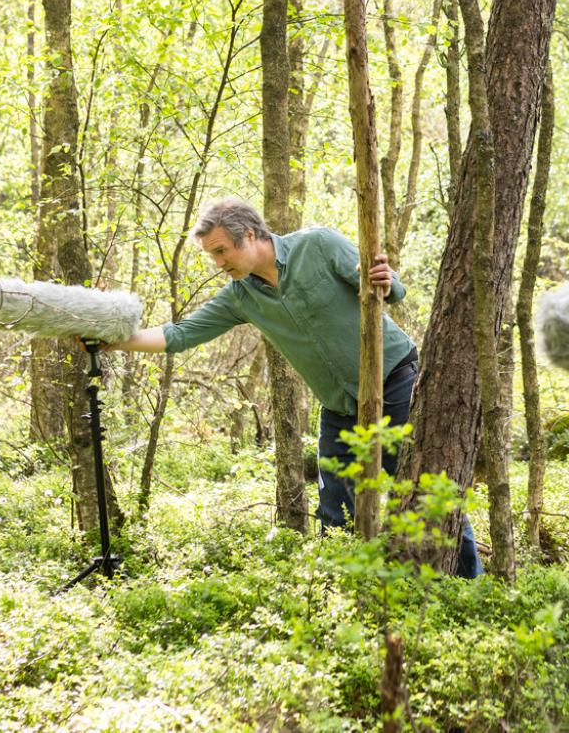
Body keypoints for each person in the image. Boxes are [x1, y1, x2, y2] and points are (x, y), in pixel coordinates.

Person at [103, 196, 482, 577]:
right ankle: (349, 596)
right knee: (335, 509)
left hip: (395, 383)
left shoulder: (318, 245)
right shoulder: (241, 297)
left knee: (428, 494)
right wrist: (113, 339)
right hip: (340, 408)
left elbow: (386, 288)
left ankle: (470, 588)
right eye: (212, 256)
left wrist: (385, 279)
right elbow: (180, 334)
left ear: (249, 235)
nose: (218, 264)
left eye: (221, 251)